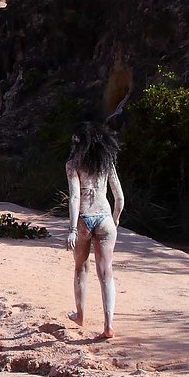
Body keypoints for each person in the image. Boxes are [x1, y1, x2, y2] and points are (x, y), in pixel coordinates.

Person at [65, 121, 124, 340]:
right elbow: (119, 197)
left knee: (81, 268)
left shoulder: (73, 165)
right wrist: (115, 219)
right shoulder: (106, 164)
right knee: (106, 273)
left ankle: (80, 316)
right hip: (105, 218)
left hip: (84, 220)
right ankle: (108, 325)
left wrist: (72, 229)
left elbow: (75, 197)